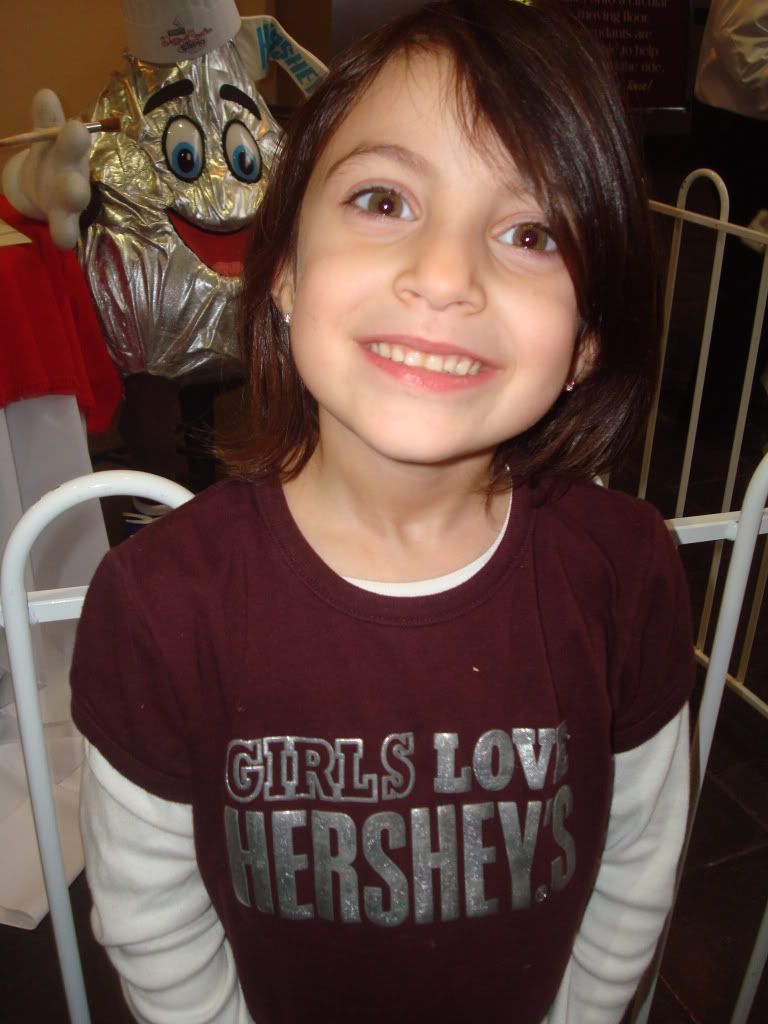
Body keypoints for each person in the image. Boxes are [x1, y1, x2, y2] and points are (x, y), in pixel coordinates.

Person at [69, 2, 694, 1021]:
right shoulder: (160, 608)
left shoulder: (626, 577)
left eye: (530, 232)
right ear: (280, 268)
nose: (444, 277)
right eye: (383, 199)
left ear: (588, 338)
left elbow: (633, 869)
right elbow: (155, 921)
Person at [693, 0, 768, 430]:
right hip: (746, 127)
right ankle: (720, 407)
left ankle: (732, 398)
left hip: (747, 121)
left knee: (750, 271)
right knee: (748, 272)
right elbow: (739, 34)